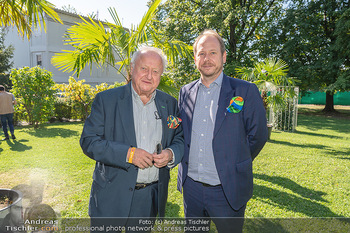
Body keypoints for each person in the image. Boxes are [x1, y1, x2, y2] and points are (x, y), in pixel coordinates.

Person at [80, 46, 184, 232]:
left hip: (147, 199)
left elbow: (180, 139)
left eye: (155, 71)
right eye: (144, 68)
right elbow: (89, 141)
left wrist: (170, 153)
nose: (149, 76)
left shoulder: (169, 104)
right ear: (132, 68)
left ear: (161, 75)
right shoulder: (106, 100)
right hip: (111, 195)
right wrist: (128, 154)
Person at [177, 30, 268, 233]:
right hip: (191, 189)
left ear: (224, 56)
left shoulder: (244, 91)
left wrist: (234, 161)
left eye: (213, 53)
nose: (206, 59)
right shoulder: (185, 92)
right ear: (195, 58)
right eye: (201, 54)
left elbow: (258, 135)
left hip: (227, 190)